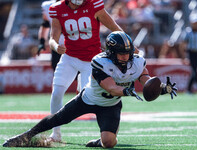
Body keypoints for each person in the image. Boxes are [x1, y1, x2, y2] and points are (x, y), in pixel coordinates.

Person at [2, 31, 177, 148]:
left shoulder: (137, 61)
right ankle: (25, 136)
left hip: (110, 105)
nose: (126, 57)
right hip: (88, 99)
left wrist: (161, 88)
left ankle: (98, 142)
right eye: (121, 53)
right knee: (58, 119)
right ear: (110, 52)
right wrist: (127, 92)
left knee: (109, 143)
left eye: (128, 52)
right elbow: (111, 87)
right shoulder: (100, 62)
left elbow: (145, 80)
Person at [44, 0, 126, 143]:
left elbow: (114, 27)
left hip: (92, 61)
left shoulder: (93, 5)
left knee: (94, 99)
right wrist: (56, 47)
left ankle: (106, 135)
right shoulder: (57, 9)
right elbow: (52, 38)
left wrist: (129, 44)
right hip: (70, 58)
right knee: (57, 92)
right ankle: (55, 134)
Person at [37, 0, 63, 71]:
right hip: (57, 45)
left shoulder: (74, 5)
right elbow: (45, 24)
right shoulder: (48, 6)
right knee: (57, 70)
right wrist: (42, 42)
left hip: (74, 45)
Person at [180, 14, 197, 93]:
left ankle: (189, 89)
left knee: (194, 70)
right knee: (194, 69)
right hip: (191, 53)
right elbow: (183, 44)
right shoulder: (188, 32)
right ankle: (195, 86)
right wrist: (183, 55)